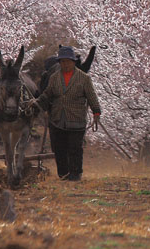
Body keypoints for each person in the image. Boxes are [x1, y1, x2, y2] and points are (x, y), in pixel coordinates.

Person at [33, 45, 101, 181]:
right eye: (62, 61)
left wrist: (96, 112)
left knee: (75, 147)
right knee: (58, 148)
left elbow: (91, 96)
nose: (65, 64)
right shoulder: (54, 78)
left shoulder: (83, 78)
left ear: (73, 62)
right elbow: (47, 94)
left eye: (68, 61)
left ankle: (75, 174)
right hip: (57, 118)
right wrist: (36, 103)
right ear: (59, 63)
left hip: (76, 117)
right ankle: (63, 174)